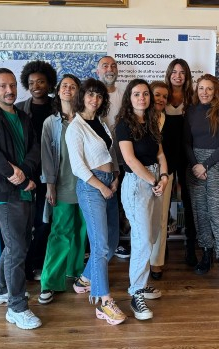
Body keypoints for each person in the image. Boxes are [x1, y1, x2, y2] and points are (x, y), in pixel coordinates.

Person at [0, 68, 42, 329]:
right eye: (2, 86)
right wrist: (18, 177)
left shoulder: (23, 116)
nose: (9, 90)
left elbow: (34, 148)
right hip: (3, 191)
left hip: (25, 187)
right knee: (16, 248)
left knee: (18, 244)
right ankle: (17, 307)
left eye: (12, 85)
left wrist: (25, 174)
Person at [66, 78, 126, 325]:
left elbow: (110, 153)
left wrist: (115, 177)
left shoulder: (100, 122)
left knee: (111, 244)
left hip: (109, 183)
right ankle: (104, 302)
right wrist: (101, 186)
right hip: (92, 187)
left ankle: (85, 280)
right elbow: (78, 166)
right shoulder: (75, 127)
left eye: (99, 96)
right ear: (82, 97)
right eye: (90, 94)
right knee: (100, 246)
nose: (95, 99)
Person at [116, 79, 168, 320]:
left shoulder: (153, 121)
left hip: (155, 180)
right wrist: (153, 180)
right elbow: (130, 160)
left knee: (152, 235)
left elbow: (160, 154)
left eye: (145, 94)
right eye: (136, 94)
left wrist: (164, 177)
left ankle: (142, 282)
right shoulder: (124, 124)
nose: (142, 98)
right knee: (142, 239)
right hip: (138, 184)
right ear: (129, 98)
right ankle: (136, 293)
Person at [37, 74, 86, 305]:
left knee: (81, 231)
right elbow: (46, 157)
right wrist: (50, 186)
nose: (68, 89)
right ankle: (49, 282)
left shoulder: (87, 118)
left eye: (73, 86)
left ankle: (75, 273)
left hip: (87, 185)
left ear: (79, 92)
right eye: (64, 86)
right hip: (63, 185)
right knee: (60, 233)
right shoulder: (51, 123)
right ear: (58, 91)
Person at [185, 74, 219, 283]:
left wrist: (205, 165)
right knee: (201, 213)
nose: (204, 92)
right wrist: (196, 165)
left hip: (217, 164)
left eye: (209, 89)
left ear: (216, 91)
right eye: (201, 88)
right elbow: (186, 142)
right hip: (194, 165)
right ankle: (206, 254)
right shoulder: (190, 111)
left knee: (218, 213)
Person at [16, 61, 58, 281]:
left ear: (49, 83)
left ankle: (36, 262)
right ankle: (24, 264)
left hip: (52, 173)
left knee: (44, 221)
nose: (36, 86)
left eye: (40, 81)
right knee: (25, 222)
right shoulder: (20, 108)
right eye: (31, 82)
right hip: (26, 172)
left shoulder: (57, 107)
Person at [96, 55, 131, 260]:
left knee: (118, 202)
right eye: (105, 66)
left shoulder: (124, 94)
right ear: (97, 71)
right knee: (101, 203)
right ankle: (97, 247)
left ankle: (115, 243)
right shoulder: (92, 95)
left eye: (113, 66)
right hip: (99, 161)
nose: (110, 69)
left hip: (123, 158)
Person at [164, 58, 198, 266]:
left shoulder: (193, 97)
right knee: (164, 202)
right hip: (165, 155)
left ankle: (191, 247)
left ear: (187, 76)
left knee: (189, 200)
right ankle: (162, 247)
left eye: (182, 72)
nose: (178, 76)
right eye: (174, 72)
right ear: (169, 74)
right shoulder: (161, 95)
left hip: (187, 155)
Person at [149, 81, 176, 280]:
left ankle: (156, 262)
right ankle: (142, 259)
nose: (161, 99)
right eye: (157, 95)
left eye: (164, 97)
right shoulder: (138, 119)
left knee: (161, 219)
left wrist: (167, 175)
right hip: (143, 174)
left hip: (166, 175)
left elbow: (173, 150)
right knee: (143, 219)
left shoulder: (171, 122)